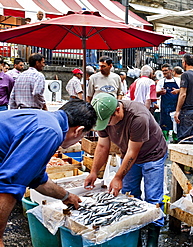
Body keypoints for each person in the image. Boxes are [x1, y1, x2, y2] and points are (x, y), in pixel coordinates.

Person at [0, 100, 97, 247]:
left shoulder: (46, 120)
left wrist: (66, 196)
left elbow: (39, 179)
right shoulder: (51, 131)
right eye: (82, 136)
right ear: (78, 131)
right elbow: (9, 185)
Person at [84, 93, 167, 247]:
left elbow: (132, 152)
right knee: (129, 194)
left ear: (117, 110)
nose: (107, 125)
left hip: (152, 154)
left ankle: (153, 236)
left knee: (153, 198)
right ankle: (134, 232)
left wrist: (118, 177)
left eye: (108, 122)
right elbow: (102, 146)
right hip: (129, 154)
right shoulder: (103, 117)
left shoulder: (137, 117)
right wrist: (94, 171)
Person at [156, 64, 180, 141]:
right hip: (165, 107)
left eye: (166, 70)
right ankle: (164, 142)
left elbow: (183, 92)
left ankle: (175, 139)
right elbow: (156, 94)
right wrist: (160, 92)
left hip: (175, 106)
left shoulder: (178, 81)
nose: (164, 73)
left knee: (176, 126)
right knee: (164, 127)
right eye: (163, 71)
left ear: (171, 71)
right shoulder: (161, 82)